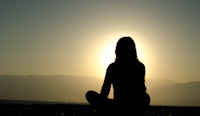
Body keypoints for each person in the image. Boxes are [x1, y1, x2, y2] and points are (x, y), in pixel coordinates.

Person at [86, 36, 150, 115]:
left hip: (121, 105)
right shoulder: (140, 66)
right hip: (130, 105)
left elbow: (105, 91)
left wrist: (101, 104)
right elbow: (141, 90)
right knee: (146, 97)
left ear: (117, 50)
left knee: (90, 94)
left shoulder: (113, 67)